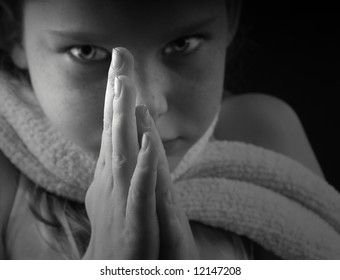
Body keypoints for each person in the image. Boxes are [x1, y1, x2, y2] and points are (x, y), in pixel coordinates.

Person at [0, 0, 326, 260]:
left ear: (230, 17)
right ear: (13, 34)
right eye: (87, 52)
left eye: (183, 43)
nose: (146, 105)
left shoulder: (262, 133)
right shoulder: (8, 173)